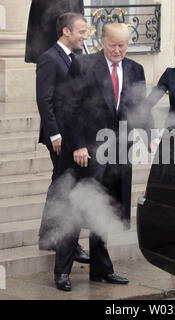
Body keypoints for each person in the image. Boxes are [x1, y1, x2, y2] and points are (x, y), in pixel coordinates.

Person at [54, 23, 152, 291]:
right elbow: (68, 108)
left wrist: (149, 134)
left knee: (104, 210)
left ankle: (101, 269)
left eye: (122, 46)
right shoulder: (82, 65)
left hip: (118, 152)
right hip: (85, 153)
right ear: (102, 42)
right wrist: (77, 145)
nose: (117, 50)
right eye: (112, 45)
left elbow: (139, 107)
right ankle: (62, 272)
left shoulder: (135, 69)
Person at [36, 12, 90, 265]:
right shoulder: (49, 59)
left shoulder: (77, 58)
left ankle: (51, 236)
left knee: (60, 182)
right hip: (58, 134)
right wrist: (54, 133)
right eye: (81, 31)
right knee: (65, 184)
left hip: (74, 131)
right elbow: (44, 99)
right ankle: (65, 241)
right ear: (66, 32)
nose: (85, 35)